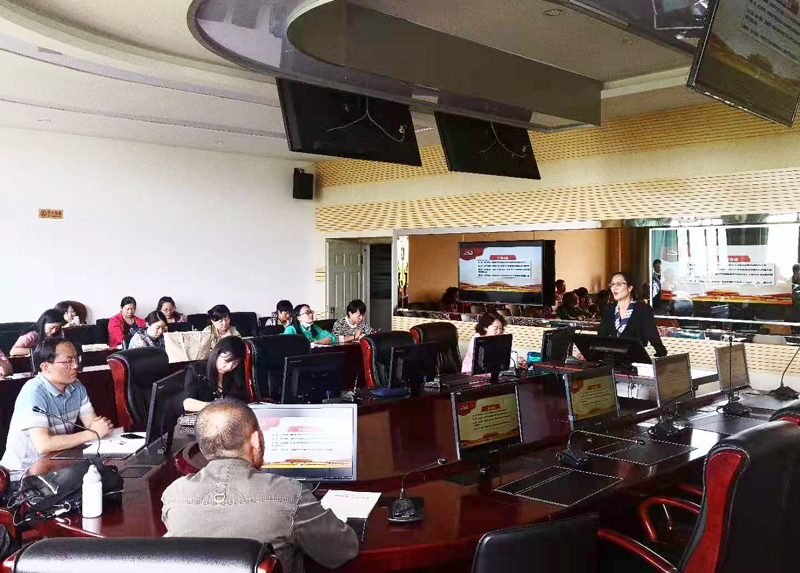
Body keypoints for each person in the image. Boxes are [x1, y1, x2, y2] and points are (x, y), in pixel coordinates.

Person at [161, 399, 359, 573]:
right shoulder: (289, 495)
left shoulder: (174, 495)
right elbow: (343, 550)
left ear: (202, 447)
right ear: (255, 440)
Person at [0, 338, 114, 483]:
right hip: (22, 478)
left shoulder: (76, 386)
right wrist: (92, 433)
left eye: (76, 359)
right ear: (46, 367)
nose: (76, 366)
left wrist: (99, 428)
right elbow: (44, 444)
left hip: (54, 468)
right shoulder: (33, 392)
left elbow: (93, 425)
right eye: (68, 361)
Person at [599, 271, 667, 357]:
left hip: (635, 360)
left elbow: (653, 336)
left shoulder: (643, 310)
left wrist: (661, 354)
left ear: (629, 288)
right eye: (612, 284)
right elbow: (601, 338)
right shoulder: (609, 309)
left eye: (619, 284)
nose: (614, 288)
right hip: (613, 359)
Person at [183, 336, 248, 412]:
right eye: (226, 361)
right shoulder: (196, 370)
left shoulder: (236, 372)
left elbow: (242, 399)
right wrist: (216, 407)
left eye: (235, 363)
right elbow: (188, 404)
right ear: (216, 354)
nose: (229, 367)